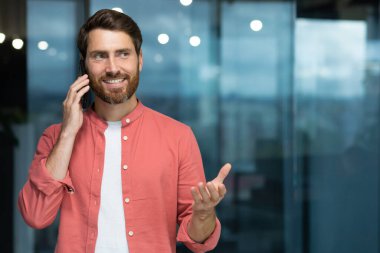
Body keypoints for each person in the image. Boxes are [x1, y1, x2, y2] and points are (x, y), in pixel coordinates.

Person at [18, 8, 231, 253]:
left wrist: (204, 215)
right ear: (84, 65)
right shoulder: (55, 137)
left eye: (122, 54)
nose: (112, 68)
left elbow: (198, 242)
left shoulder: (179, 137)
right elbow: (35, 216)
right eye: (99, 56)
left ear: (139, 59)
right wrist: (68, 133)